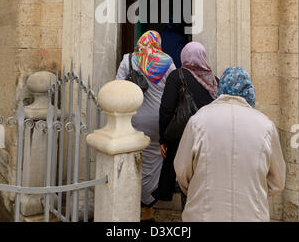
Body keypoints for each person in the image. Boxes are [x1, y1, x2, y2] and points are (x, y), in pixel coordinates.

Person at [174, 66, 286, 222]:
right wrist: (252, 191)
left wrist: (197, 190)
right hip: (252, 215)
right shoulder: (266, 126)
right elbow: (277, 181)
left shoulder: (198, 120)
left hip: (203, 215)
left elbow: (181, 170)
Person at [116, 30, 175, 221]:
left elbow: (118, 87)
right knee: (155, 162)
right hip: (158, 122)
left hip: (134, 120)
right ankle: (148, 209)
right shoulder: (167, 62)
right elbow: (173, 91)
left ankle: (132, 205)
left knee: (133, 160)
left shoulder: (129, 59)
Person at [153, 41, 218, 208]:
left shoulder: (177, 75)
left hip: (183, 139)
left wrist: (163, 138)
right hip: (209, 139)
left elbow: (166, 109)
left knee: (186, 184)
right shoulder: (214, 80)